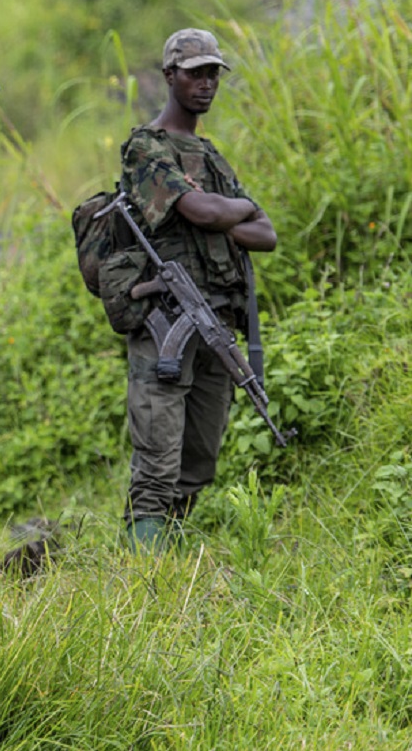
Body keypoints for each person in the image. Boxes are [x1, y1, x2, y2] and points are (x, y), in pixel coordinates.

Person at [118, 29, 277, 551]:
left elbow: (266, 233)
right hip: (165, 321)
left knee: (198, 459)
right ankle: (141, 575)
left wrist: (220, 216)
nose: (206, 83)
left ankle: (173, 558)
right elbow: (203, 211)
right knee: (158, 460)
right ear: (170, 76)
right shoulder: (146, 148)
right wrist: (227, 212)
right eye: (195, 73)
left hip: (216, 323)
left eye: (213, 73)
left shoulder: (209, 156)